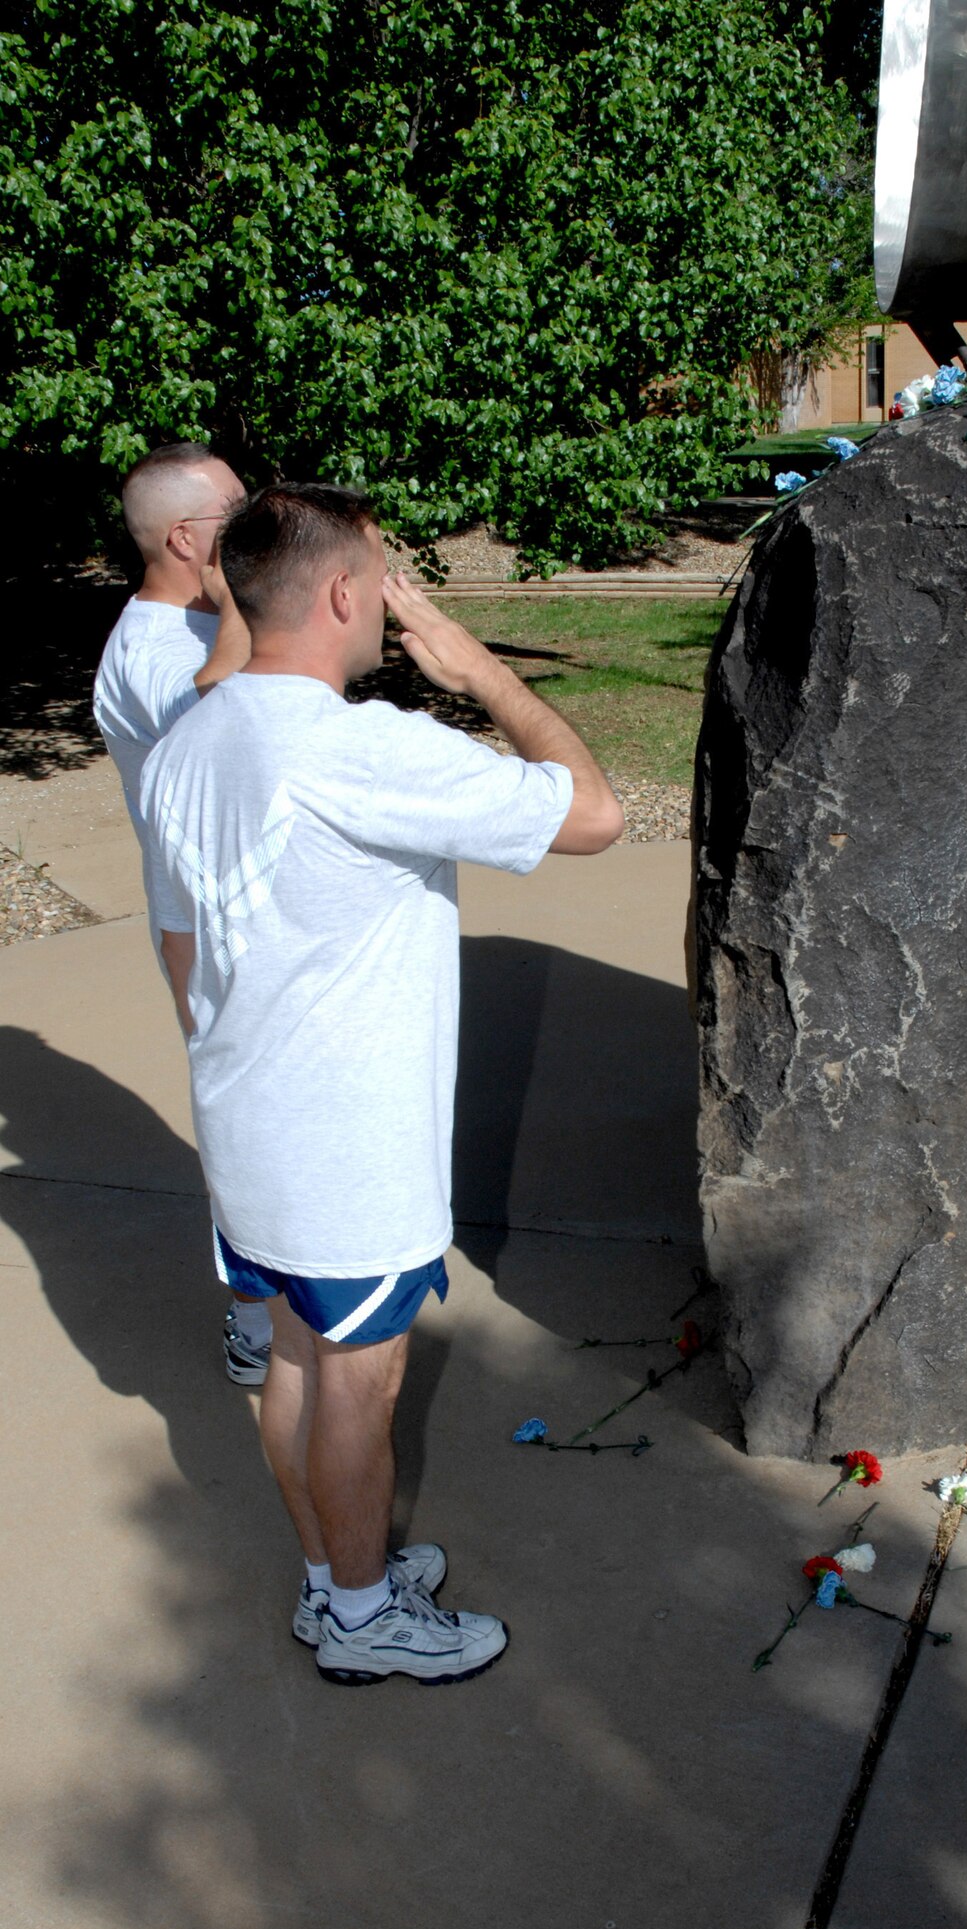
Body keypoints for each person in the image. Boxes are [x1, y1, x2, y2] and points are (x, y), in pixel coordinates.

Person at [140, 483, 623, 1685]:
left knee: (297, 1361)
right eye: (389, 573)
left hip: (248, 1125)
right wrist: (485, 677)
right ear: (347, 592)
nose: (398, 596)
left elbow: (185, 947)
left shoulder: (188, 735)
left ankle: (330, 1581)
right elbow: (597, 814)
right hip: (346, 1148)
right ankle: (361, 1618)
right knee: (360, 1376)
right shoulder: (362, 749)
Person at [92, 441, 274, 1387]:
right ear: (182, 538)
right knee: (245, 1118)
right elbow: (209, 736)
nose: (253, 525)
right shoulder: (153, 650)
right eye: (235, 514)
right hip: (206, 929)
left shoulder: (206, 626)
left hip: (254, 911)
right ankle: (256, 1323)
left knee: (284, 1110)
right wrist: (249, 602)